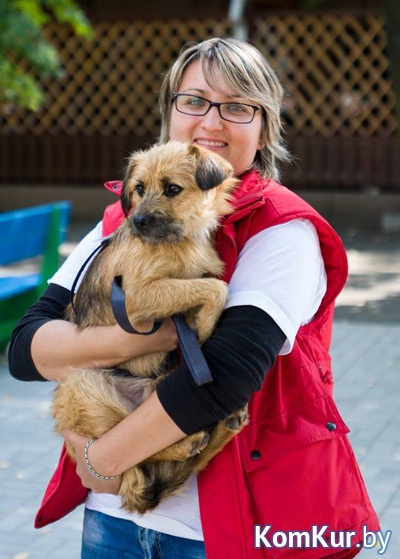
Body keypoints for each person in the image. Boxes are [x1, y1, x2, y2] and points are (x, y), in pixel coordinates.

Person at [9, 38, 379, 559]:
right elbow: (25, 350)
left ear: (264, 126)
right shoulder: (124, 220)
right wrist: (146, 331)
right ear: (170, 112)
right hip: (112, 523)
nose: (212, 121)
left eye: (237, 106)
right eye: (195, 100)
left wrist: (101, 461)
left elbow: (223, 379)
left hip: (226, 525)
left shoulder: (281, 231)